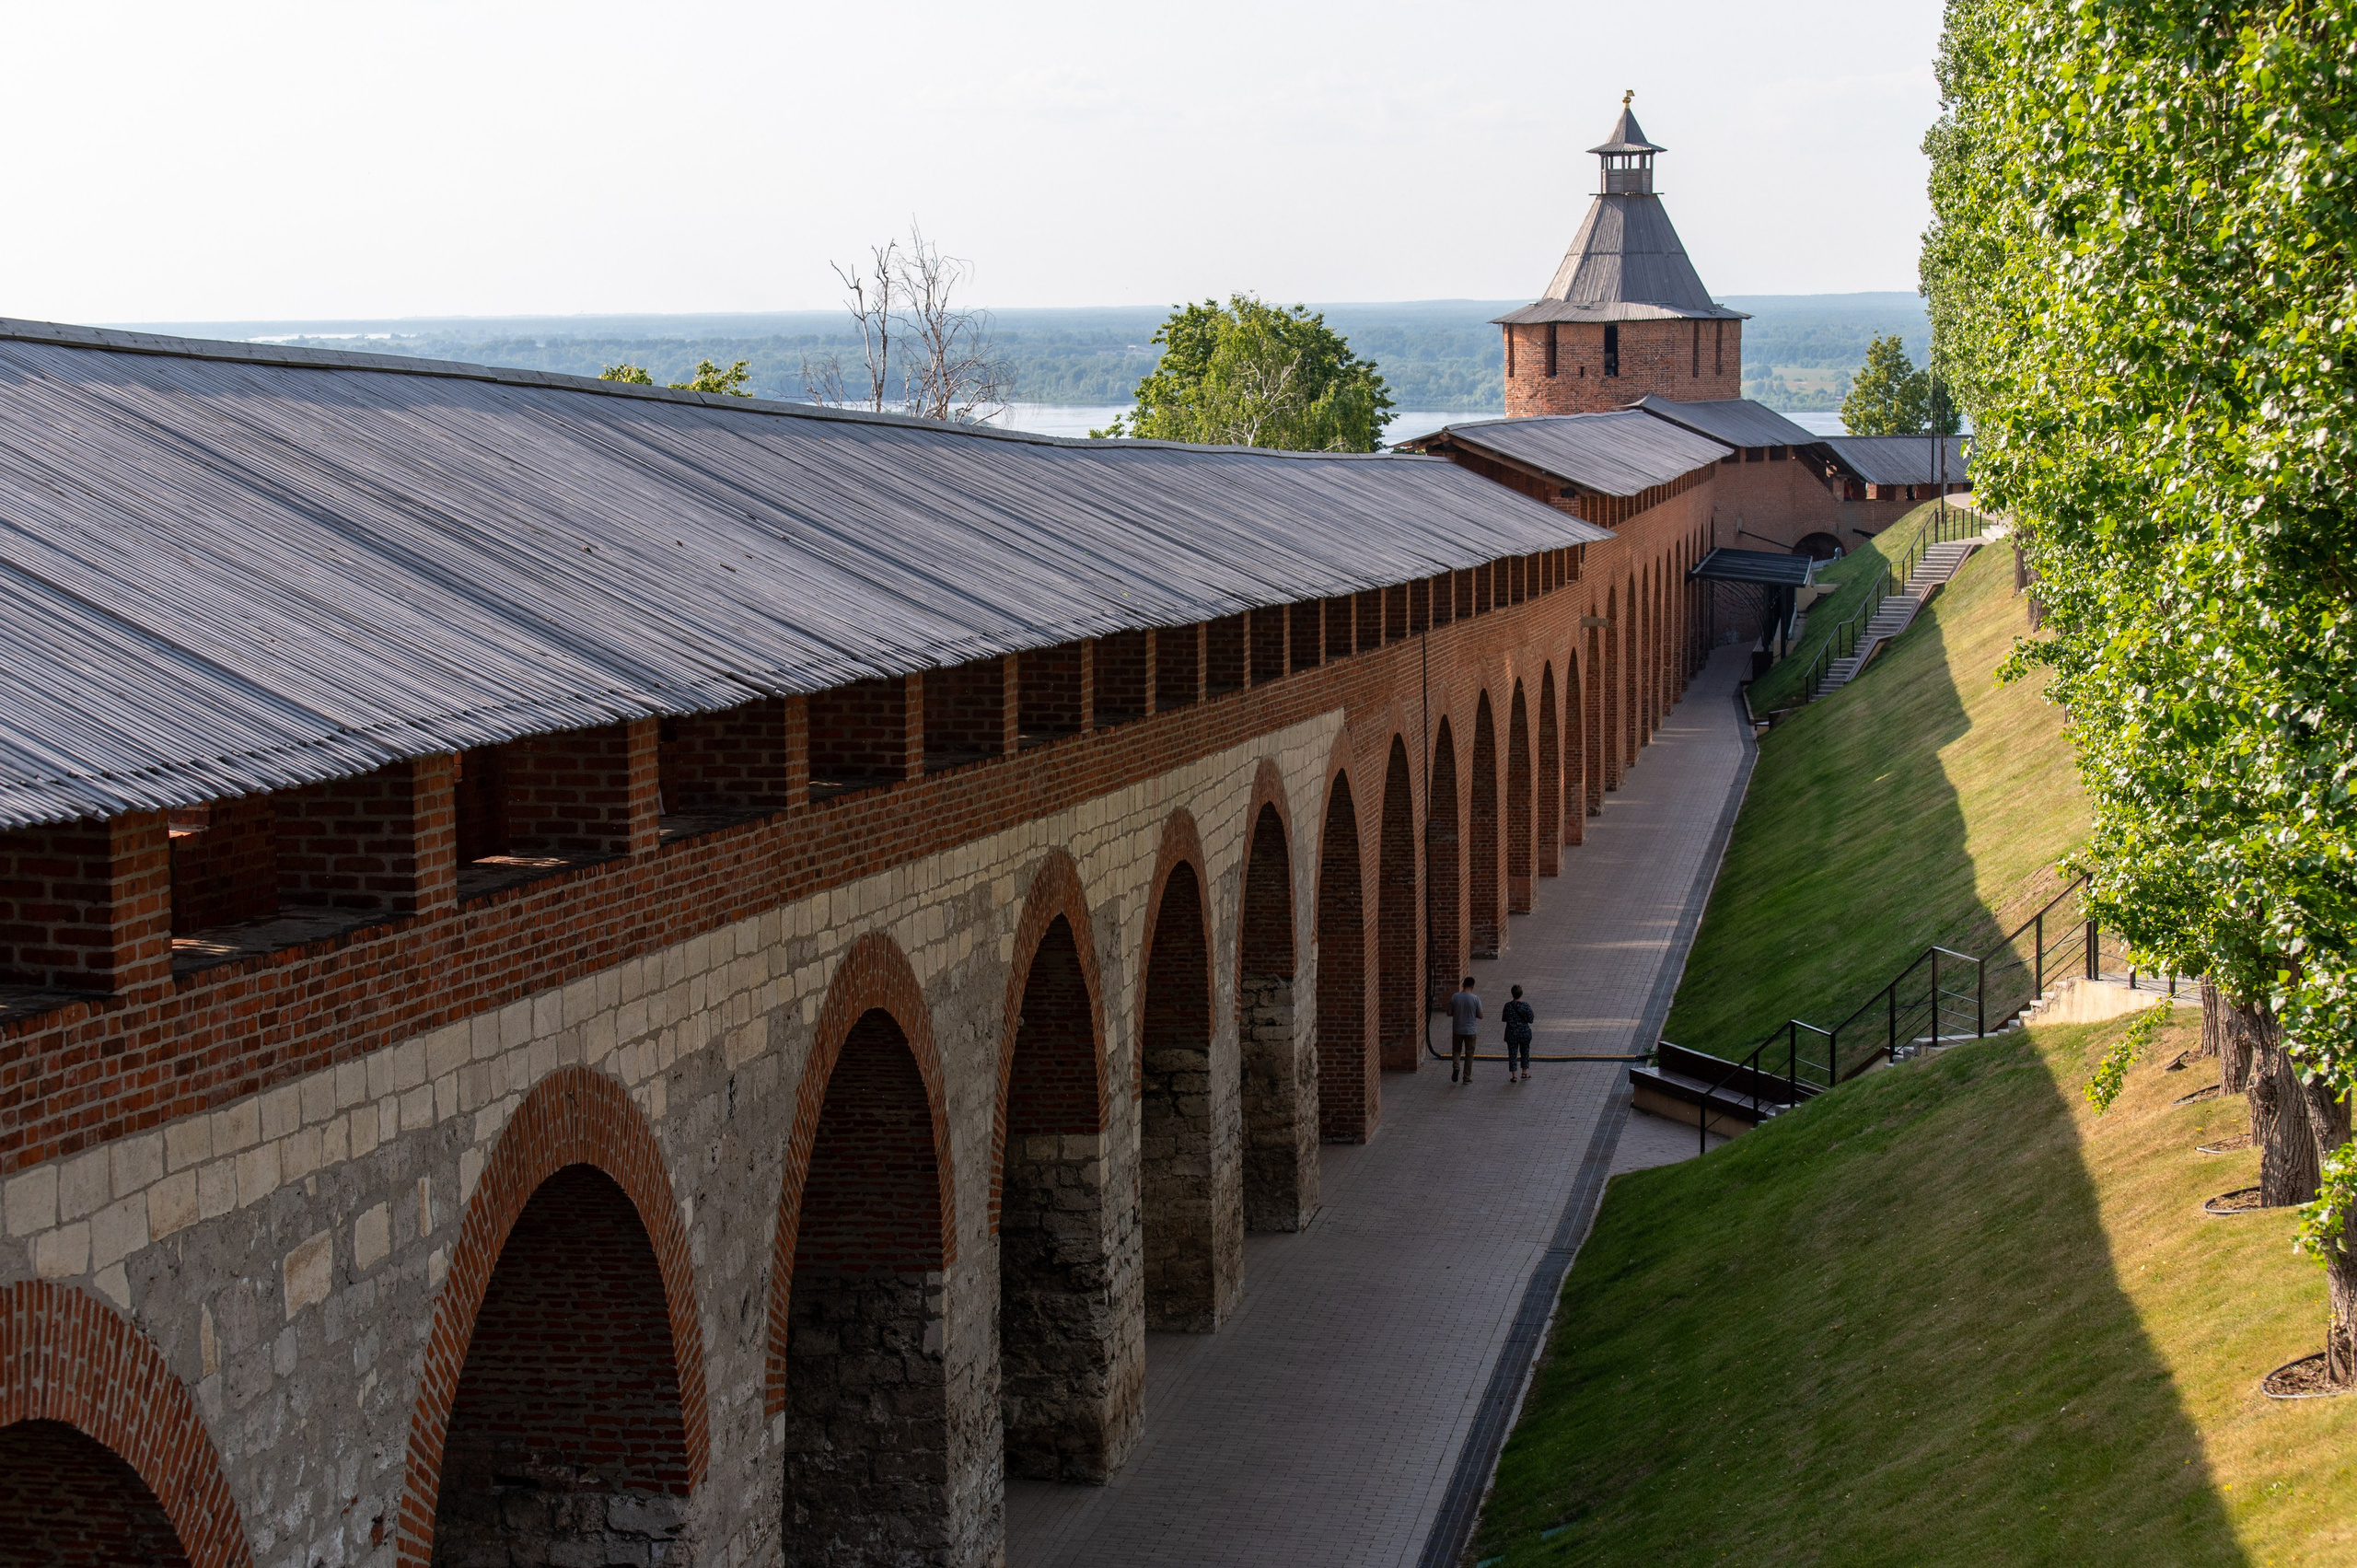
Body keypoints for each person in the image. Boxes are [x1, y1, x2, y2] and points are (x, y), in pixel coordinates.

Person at [1448, 976, 1481, 1083]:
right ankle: (1466, 1077)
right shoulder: (1475, 999)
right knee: (1469, 1053)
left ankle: (1456, 1066)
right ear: (1472, 986)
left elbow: (1449, 1013)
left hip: (1458, 1029)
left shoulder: (1455, 997)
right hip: (1471, 1030)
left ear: (1463, 985)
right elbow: (1480, 1015)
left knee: (1457, 1050)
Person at [1502, 984, 1535, 1082]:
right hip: (1524, 1033)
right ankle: (1524, 1072)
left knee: (1512, 1053)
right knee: (1525, 1052)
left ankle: (1514, 1075)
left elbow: (1504, 1019)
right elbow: (1531, 1019)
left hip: (1511, 1033)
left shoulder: (1508, 1006)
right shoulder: (1526, 1005)